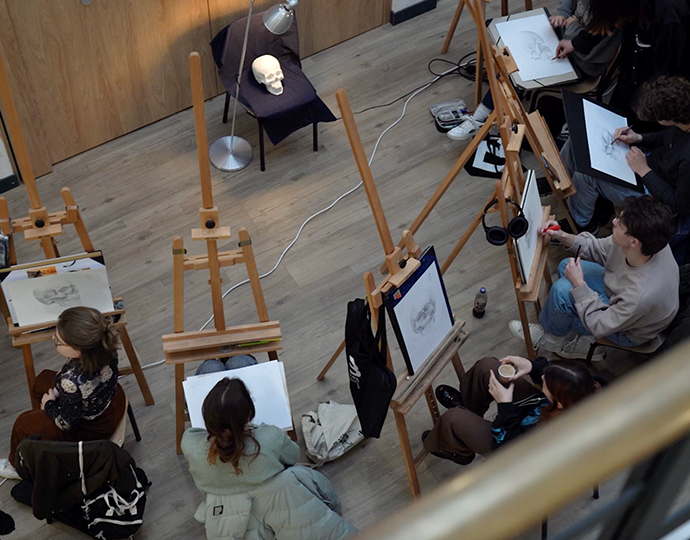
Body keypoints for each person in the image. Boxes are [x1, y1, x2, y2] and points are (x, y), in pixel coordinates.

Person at [182, 378, 356, 540]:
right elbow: (292, 455)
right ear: (248, 416)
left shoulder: (190, 445)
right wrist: (256, 430)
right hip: (280, 501)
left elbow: (196, 435)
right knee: (244, 360)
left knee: (210, 366)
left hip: (228, 511)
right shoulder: (269, 438)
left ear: (207, 418)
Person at [509, 195, 679, 360]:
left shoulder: (640, 295)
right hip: (623, 300)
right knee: (565, 266)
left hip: (629, 331)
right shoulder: (649, 242)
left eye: (620, 223)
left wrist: (579, 284)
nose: (613, 221)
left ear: (633, 242)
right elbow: (599, 248)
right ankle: (566, 328)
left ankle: (552, 340)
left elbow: (599, 325)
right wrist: (563, 236)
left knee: (562, 292)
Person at [448, 0, 632, 141]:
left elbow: (591, 47)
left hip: (583, 63)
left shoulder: (614, 9)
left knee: (515, 74)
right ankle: (483, 115)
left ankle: (481, 118)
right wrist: (563, 14)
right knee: (511, 62)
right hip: (564, 41)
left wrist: (573, 26)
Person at [0, 307, 126, 480]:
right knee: (41, 380)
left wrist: (49, 405)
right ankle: (44, 436)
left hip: (92, 428)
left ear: (78, 349)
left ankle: (16, 466)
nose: (53, 339)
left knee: (23, 423)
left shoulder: (70, 381)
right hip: (110, 400)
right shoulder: (104, 345)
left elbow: (68, 424)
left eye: (58, 341)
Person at [560, 76, 690, 234]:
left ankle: (583, 225)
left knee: (586, 175)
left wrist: (643, 170)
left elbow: (679, 205)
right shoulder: (682, 121)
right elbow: (664, 137)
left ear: (669, 118)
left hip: (656, 197)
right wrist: (639, 138)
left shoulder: (687, 158)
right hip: (648, 166)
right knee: (577, 142)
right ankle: (563, 184)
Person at [423, 356, 596, 464]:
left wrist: (504, 405)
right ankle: (467, 417)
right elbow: (552, 371)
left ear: (559, 402)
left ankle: (455, 449)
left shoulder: (554, 434)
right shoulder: (588, 388)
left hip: (515, 453)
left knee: (453, 418)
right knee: (488, 367)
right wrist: (532, 366)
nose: (542, 376)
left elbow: (507, 450)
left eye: (547, 381)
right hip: (536, 408)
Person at [610, 0, 690, 128]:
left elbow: (666, 73)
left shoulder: (670, 16)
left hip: (652, 100)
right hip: (629, 82)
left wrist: (641, 106)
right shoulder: (636, 10)